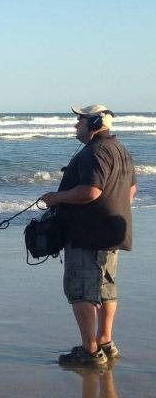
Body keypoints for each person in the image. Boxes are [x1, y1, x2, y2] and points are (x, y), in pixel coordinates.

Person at [41, 105, 136, 367]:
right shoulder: (121, 150)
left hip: (88, 235)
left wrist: (55, 198)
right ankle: (105, 341)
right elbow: (131, 190)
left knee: (81, 291)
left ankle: (90, 351)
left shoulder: (94, 152)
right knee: (105, 288)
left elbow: (91, 191)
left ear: (93, 123)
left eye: (79, 120)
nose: (75, 125)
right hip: (111, 233)